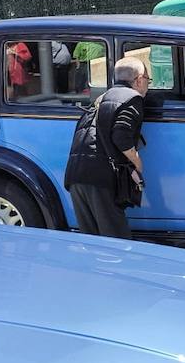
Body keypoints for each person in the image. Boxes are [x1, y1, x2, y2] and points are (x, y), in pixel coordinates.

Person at [64, 57, 150, 239]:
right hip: (100, 177)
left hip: (76, 173)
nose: (148, 86)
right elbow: (120, 135)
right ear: (140, 79)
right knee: (115, 241)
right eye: (148, 81)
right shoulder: (132, 99)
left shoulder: (103, 97)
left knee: (92, 240)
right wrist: (137, 162)